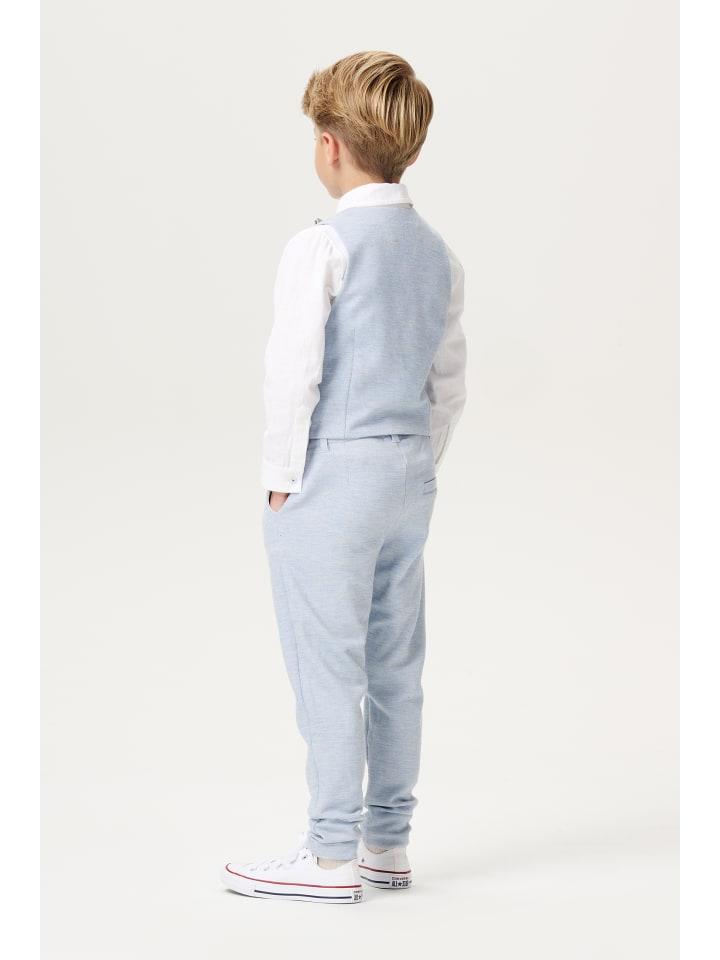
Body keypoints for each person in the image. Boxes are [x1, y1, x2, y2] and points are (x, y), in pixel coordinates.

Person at [223, 50, 467, 905]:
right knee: (396, 665)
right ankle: (386, 843)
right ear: (409, 146)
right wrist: (418, 461)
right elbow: (448, 381)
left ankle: (329, 856)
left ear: (329, 145)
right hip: (407, 475)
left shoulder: (320, 245)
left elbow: (292, 372)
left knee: (327, 665)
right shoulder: (437, 255)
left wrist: (281, 477)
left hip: (333, 472)